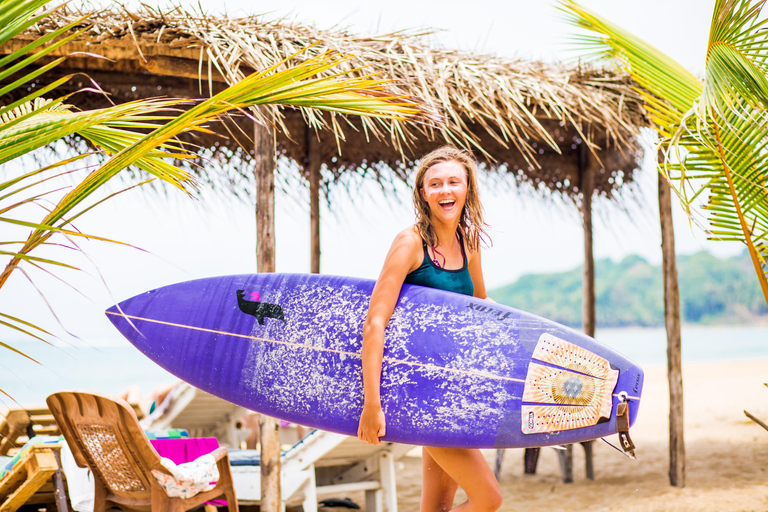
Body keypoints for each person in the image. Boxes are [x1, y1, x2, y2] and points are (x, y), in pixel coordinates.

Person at [356, 146, 503, 511]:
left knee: (436, 506)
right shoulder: (410, 244)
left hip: (453, 390)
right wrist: (372, 402)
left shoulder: (468, 242)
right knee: (488, 498)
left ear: (467, 188)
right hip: (418, 394)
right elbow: (376, 321)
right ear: (423, 193)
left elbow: (480, 306)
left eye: (453, 182)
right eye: (434, 184)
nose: (445, 190)